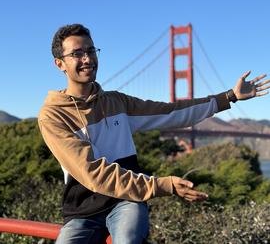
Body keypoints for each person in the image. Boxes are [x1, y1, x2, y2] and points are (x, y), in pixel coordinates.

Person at [38, 23, 270, 244]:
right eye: (77, 54)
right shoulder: (53, 116)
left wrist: (228, 97)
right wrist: (163, 185)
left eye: (91, 50)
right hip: (82, 211)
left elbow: (172, 112)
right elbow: (92, 173)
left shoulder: (118, 103)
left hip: (126, 200)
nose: (87, 59)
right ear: (59, 64)